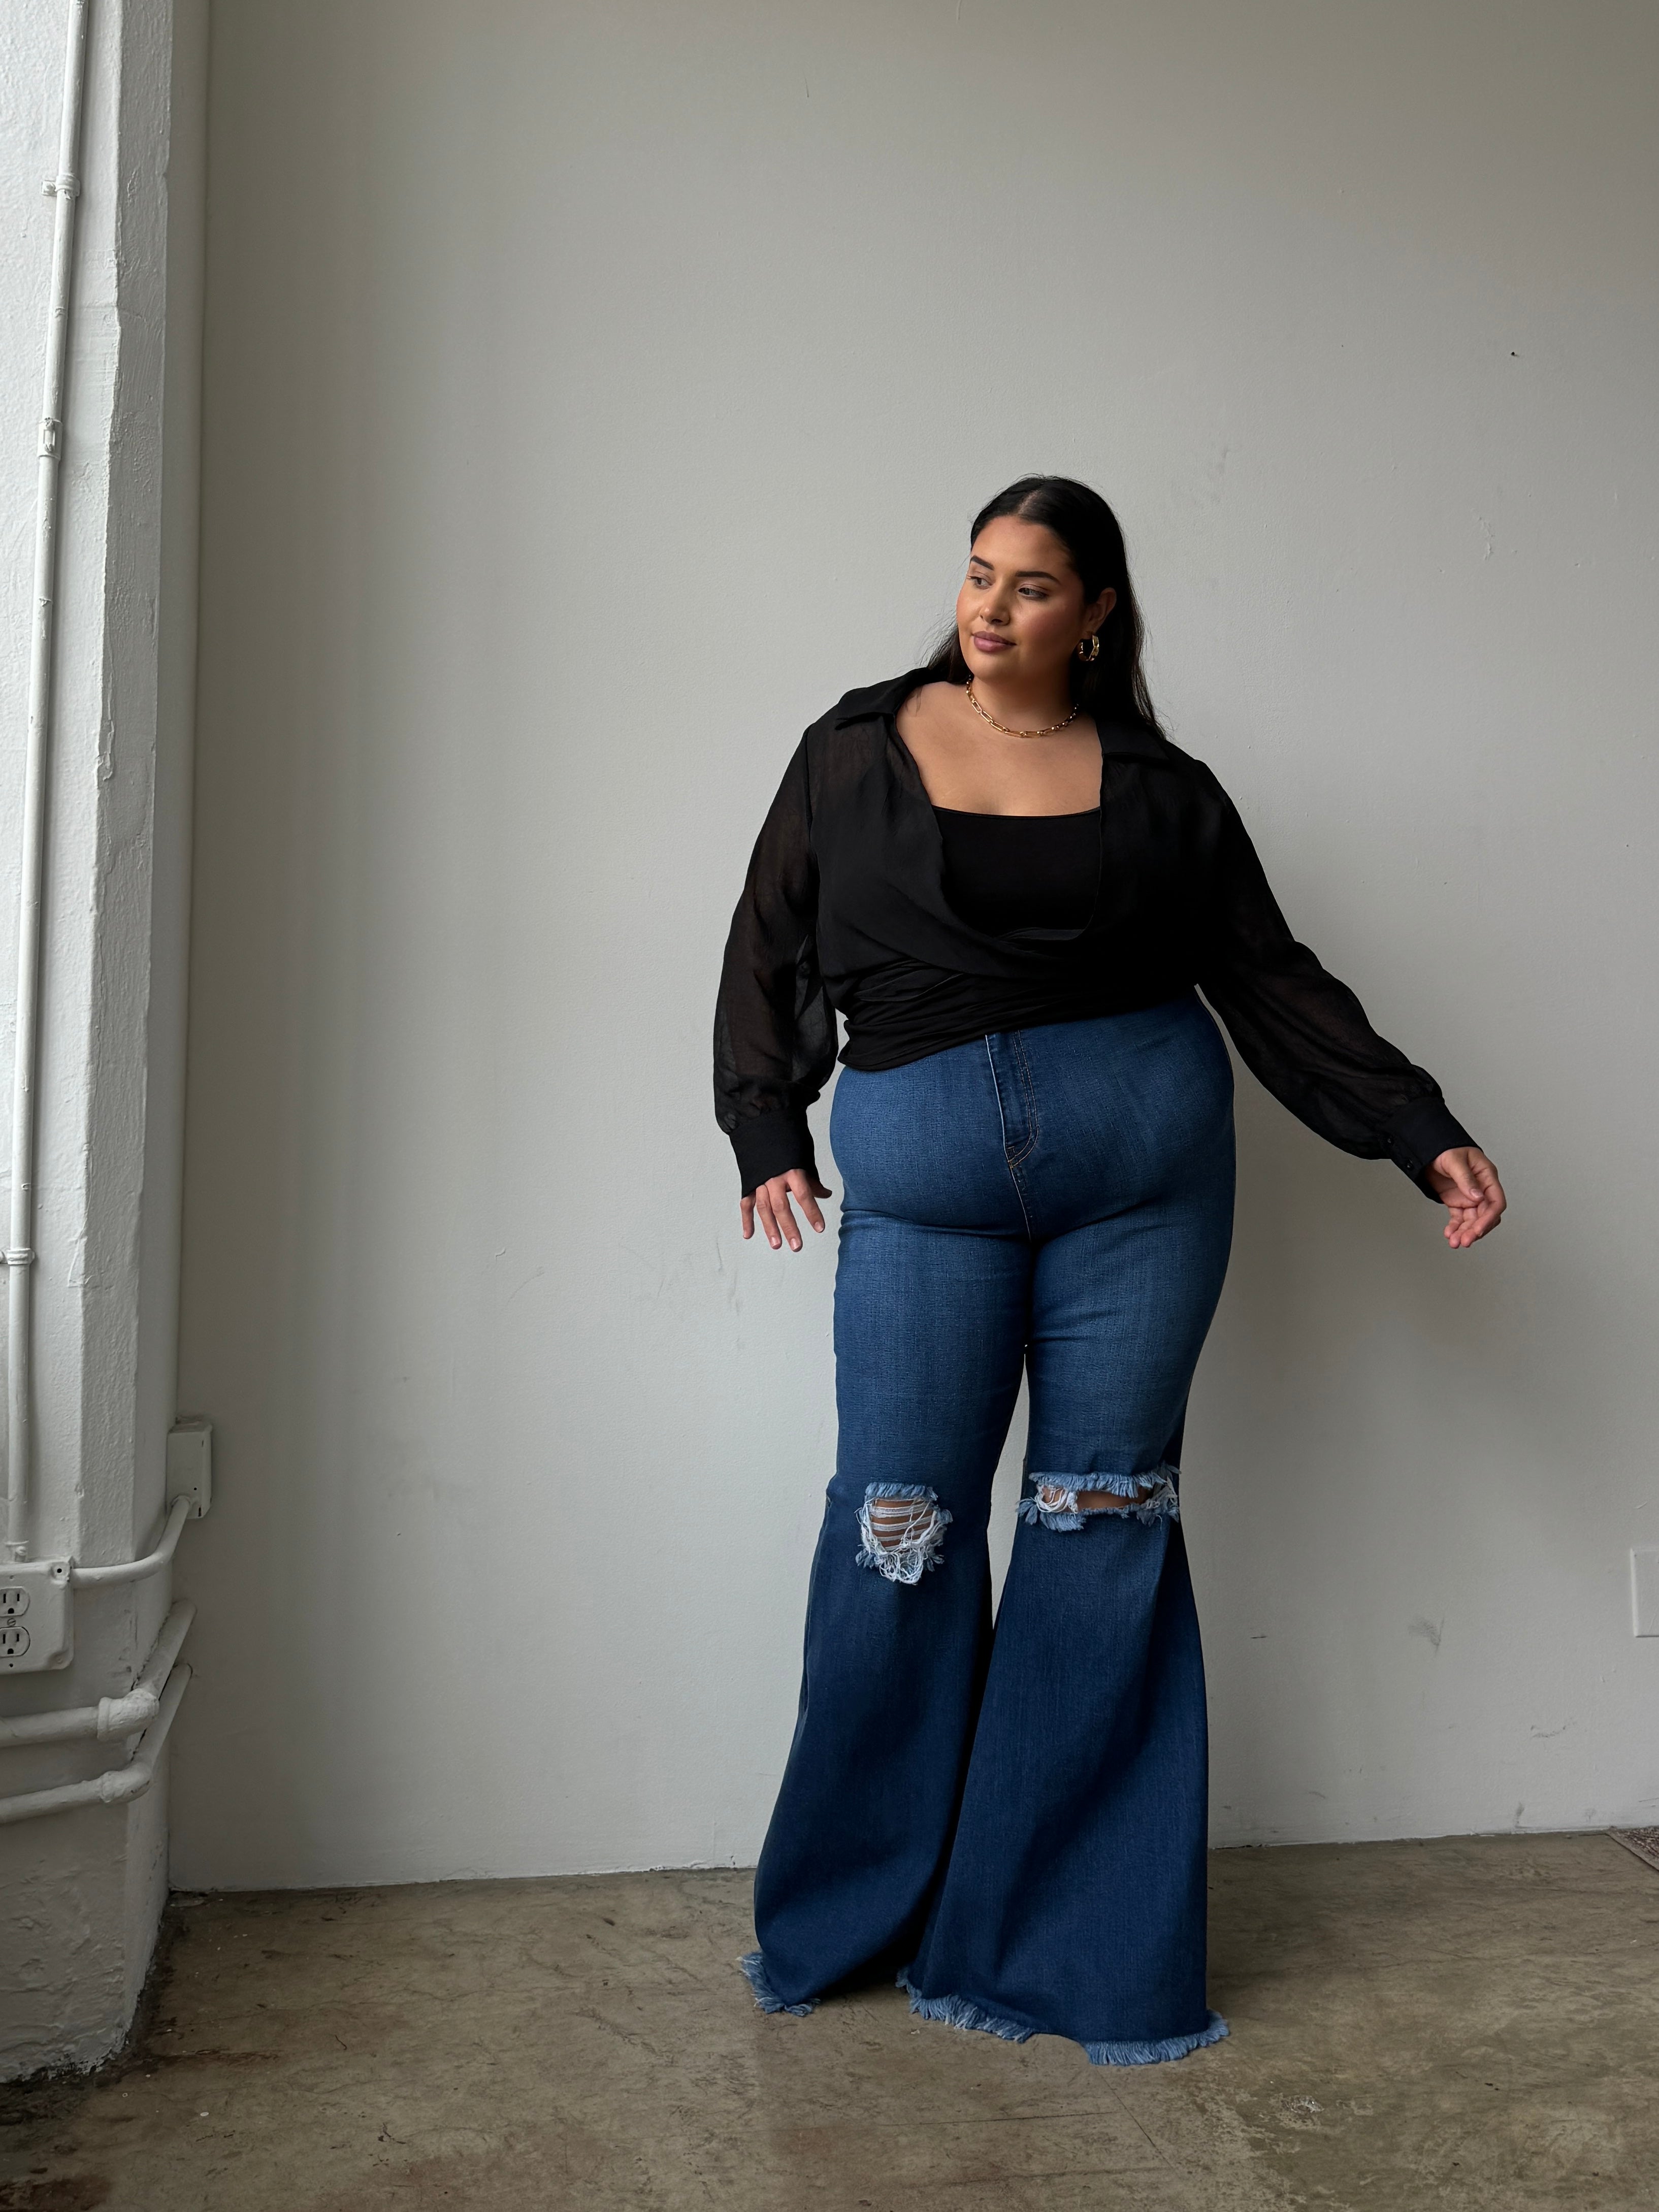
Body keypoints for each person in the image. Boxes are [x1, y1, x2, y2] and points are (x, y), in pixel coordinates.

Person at [711, 475, 1505, 2067]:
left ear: (1095, 614)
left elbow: (1266, 975)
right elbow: (766, 941)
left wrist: (1415, 1128)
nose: (988, 607)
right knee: (898, 1526)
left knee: (1100, 1520)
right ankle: (857, 1910)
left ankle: (1057, 1941)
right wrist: (763, 1126)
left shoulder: (1161, 789)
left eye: (1029, 585)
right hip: (923, 1199)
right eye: (976, 574)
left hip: (1144, 1194)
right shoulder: (853, 749)